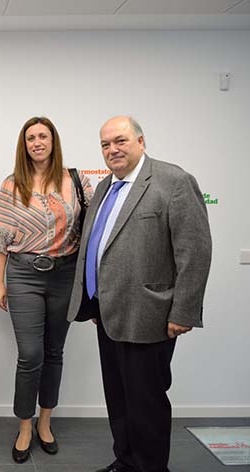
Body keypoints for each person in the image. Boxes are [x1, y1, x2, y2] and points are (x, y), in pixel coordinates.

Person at [67, 116, 212, 472]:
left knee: (146, 401)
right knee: (119, 398)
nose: (112, 150)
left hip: (150, 312)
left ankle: (149, 467)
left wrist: (184, 311)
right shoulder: (105, 188)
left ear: (141, 141)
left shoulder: (173, 182)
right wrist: (92, 298)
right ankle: (127, 461)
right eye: (105, 144)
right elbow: (99, 246)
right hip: (108, 310)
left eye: (120, 141)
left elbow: (195, 251)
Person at [0, 117, 92, 464]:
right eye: (30, 137)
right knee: (30, 354)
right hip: (24, 275)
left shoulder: (77, 181)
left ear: (53, 141)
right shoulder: (11, 184)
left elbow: (92, 228)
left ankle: (46, 422)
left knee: (54, 351)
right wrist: (0, 282)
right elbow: (1, 235)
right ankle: (24, 425)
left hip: (65, 275)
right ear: (24, 144)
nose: (37, 142)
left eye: (42, 136)